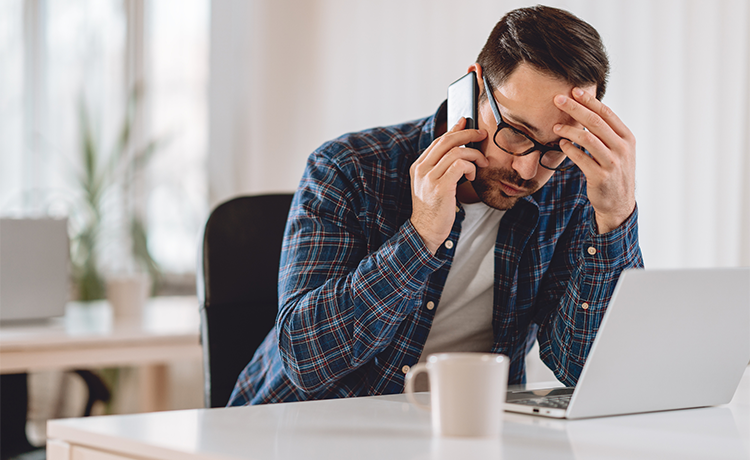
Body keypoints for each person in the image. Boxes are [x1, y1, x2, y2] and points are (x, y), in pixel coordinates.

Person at [228, 5, 643, 406]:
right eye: (516, 132)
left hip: (462, 431)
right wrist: (421, 234)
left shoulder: (570, 187)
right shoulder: (348, 167)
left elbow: (585, 367)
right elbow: (305, 359)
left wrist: (615, 218)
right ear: (475, 87)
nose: (527, 168)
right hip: (295, 429)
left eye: (555, 147)